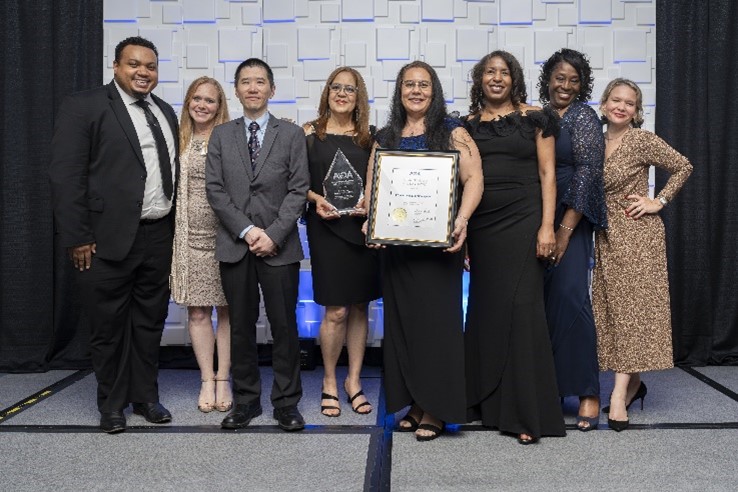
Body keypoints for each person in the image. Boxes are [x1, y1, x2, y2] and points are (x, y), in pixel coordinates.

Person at [49, 36, 178, 433]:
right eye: (135, 64)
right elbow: (66, 176)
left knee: (149, 322)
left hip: (158, 235)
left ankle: (146, 397)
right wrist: (77, 236)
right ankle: (112, 404)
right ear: (117, 66)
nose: (144, 72)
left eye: (151, 66)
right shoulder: (84, 106)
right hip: (102, 240)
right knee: (107, 326)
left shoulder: (166, 111)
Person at [364, 61, 483, 441]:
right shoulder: (386, 135)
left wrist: (462, 220)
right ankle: (415, 402)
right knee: (404, 328)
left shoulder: (453, 131)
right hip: (397, 250)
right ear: (399, 91)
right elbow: (373, 190)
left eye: (424, 85)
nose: (416, 91)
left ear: (434, 91)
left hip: (438, 248)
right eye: (409, 85)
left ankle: (436, 408)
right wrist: (371, 222)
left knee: (437, 327)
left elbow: (475, 179)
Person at [463, 50, 566, 444]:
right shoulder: (467, 125)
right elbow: (463, 180)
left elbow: (548, 173)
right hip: (484, 227)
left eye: (504, 72)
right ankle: (486, 402)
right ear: (479, 79)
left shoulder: (536, 117)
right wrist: (465, 234)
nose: (496, 78)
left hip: (525, 220)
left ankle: (526, 413)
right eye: (489, 72)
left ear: (514, 79)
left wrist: (547, 228)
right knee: (487, 311)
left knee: (524, 310)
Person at [206, 58, 309, 432]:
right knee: (241, 327)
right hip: (235, 245)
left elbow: (299, 190)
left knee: (285, 327)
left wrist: (274, 234)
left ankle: (286, 404)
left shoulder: (292, 134)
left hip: (280, 246)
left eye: (260, 81)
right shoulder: (221, 135)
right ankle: (246, 401)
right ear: (235, 90)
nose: (253, 88)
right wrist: (249, 231)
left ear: (271, 90)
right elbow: (215, 190)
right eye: (245, 82)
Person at [594, 78, 692, 432]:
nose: (621, 107)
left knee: (632, 313)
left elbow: (683, 166)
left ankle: (619, 396)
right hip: (606, 236)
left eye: (629, 103)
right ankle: (633, 384)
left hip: (638, 235)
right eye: (616, 100)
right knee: (618, 313)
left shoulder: (641, 140)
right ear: (605, 103)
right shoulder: (595, 139)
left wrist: (658, 202)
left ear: (636, 111)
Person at [303, 67, 381, 417]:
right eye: (336, 87)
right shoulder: (308, 133)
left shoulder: (370, 137)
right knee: (335, 310)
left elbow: (378, 180)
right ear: (327, 91)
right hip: (326, 228)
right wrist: (314, 198)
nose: (342, 94)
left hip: (361, 231)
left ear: (358, 96)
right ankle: (330, 381)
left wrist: (370, 200)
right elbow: (293, 179)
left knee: (361, 306)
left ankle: (354, 380)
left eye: (350, 89)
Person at [537, 49, 608, 431]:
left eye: (573, 80)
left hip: (572, 215)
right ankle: (550, 385)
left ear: (582, 85)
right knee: (544, 302)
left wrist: (565, 228)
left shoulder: (584, 117)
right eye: (559, 78)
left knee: (572, 297)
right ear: (548, 78)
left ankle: (587, 390)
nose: (565, 85)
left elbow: (588, 173)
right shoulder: (539, 114)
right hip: (539, 212)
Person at [170, 77, 232, 413]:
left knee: (227, 310)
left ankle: (224, 378)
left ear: (219, 105)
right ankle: (206, 378)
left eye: (210, 100)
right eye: (197, 98)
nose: (203, 105)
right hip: (189, 237)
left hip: (225, 236)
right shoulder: (178, 137)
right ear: (188, 102)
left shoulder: (229, 137)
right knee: (197, 311)